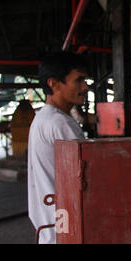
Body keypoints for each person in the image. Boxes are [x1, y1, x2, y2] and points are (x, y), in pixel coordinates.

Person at [28, 52, 89, 244]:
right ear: (54, 84)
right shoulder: (59, 123)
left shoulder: (43, 118)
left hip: (52, 228)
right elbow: (92, 172)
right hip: (65, 230)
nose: (85, 87)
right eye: (78, 80)